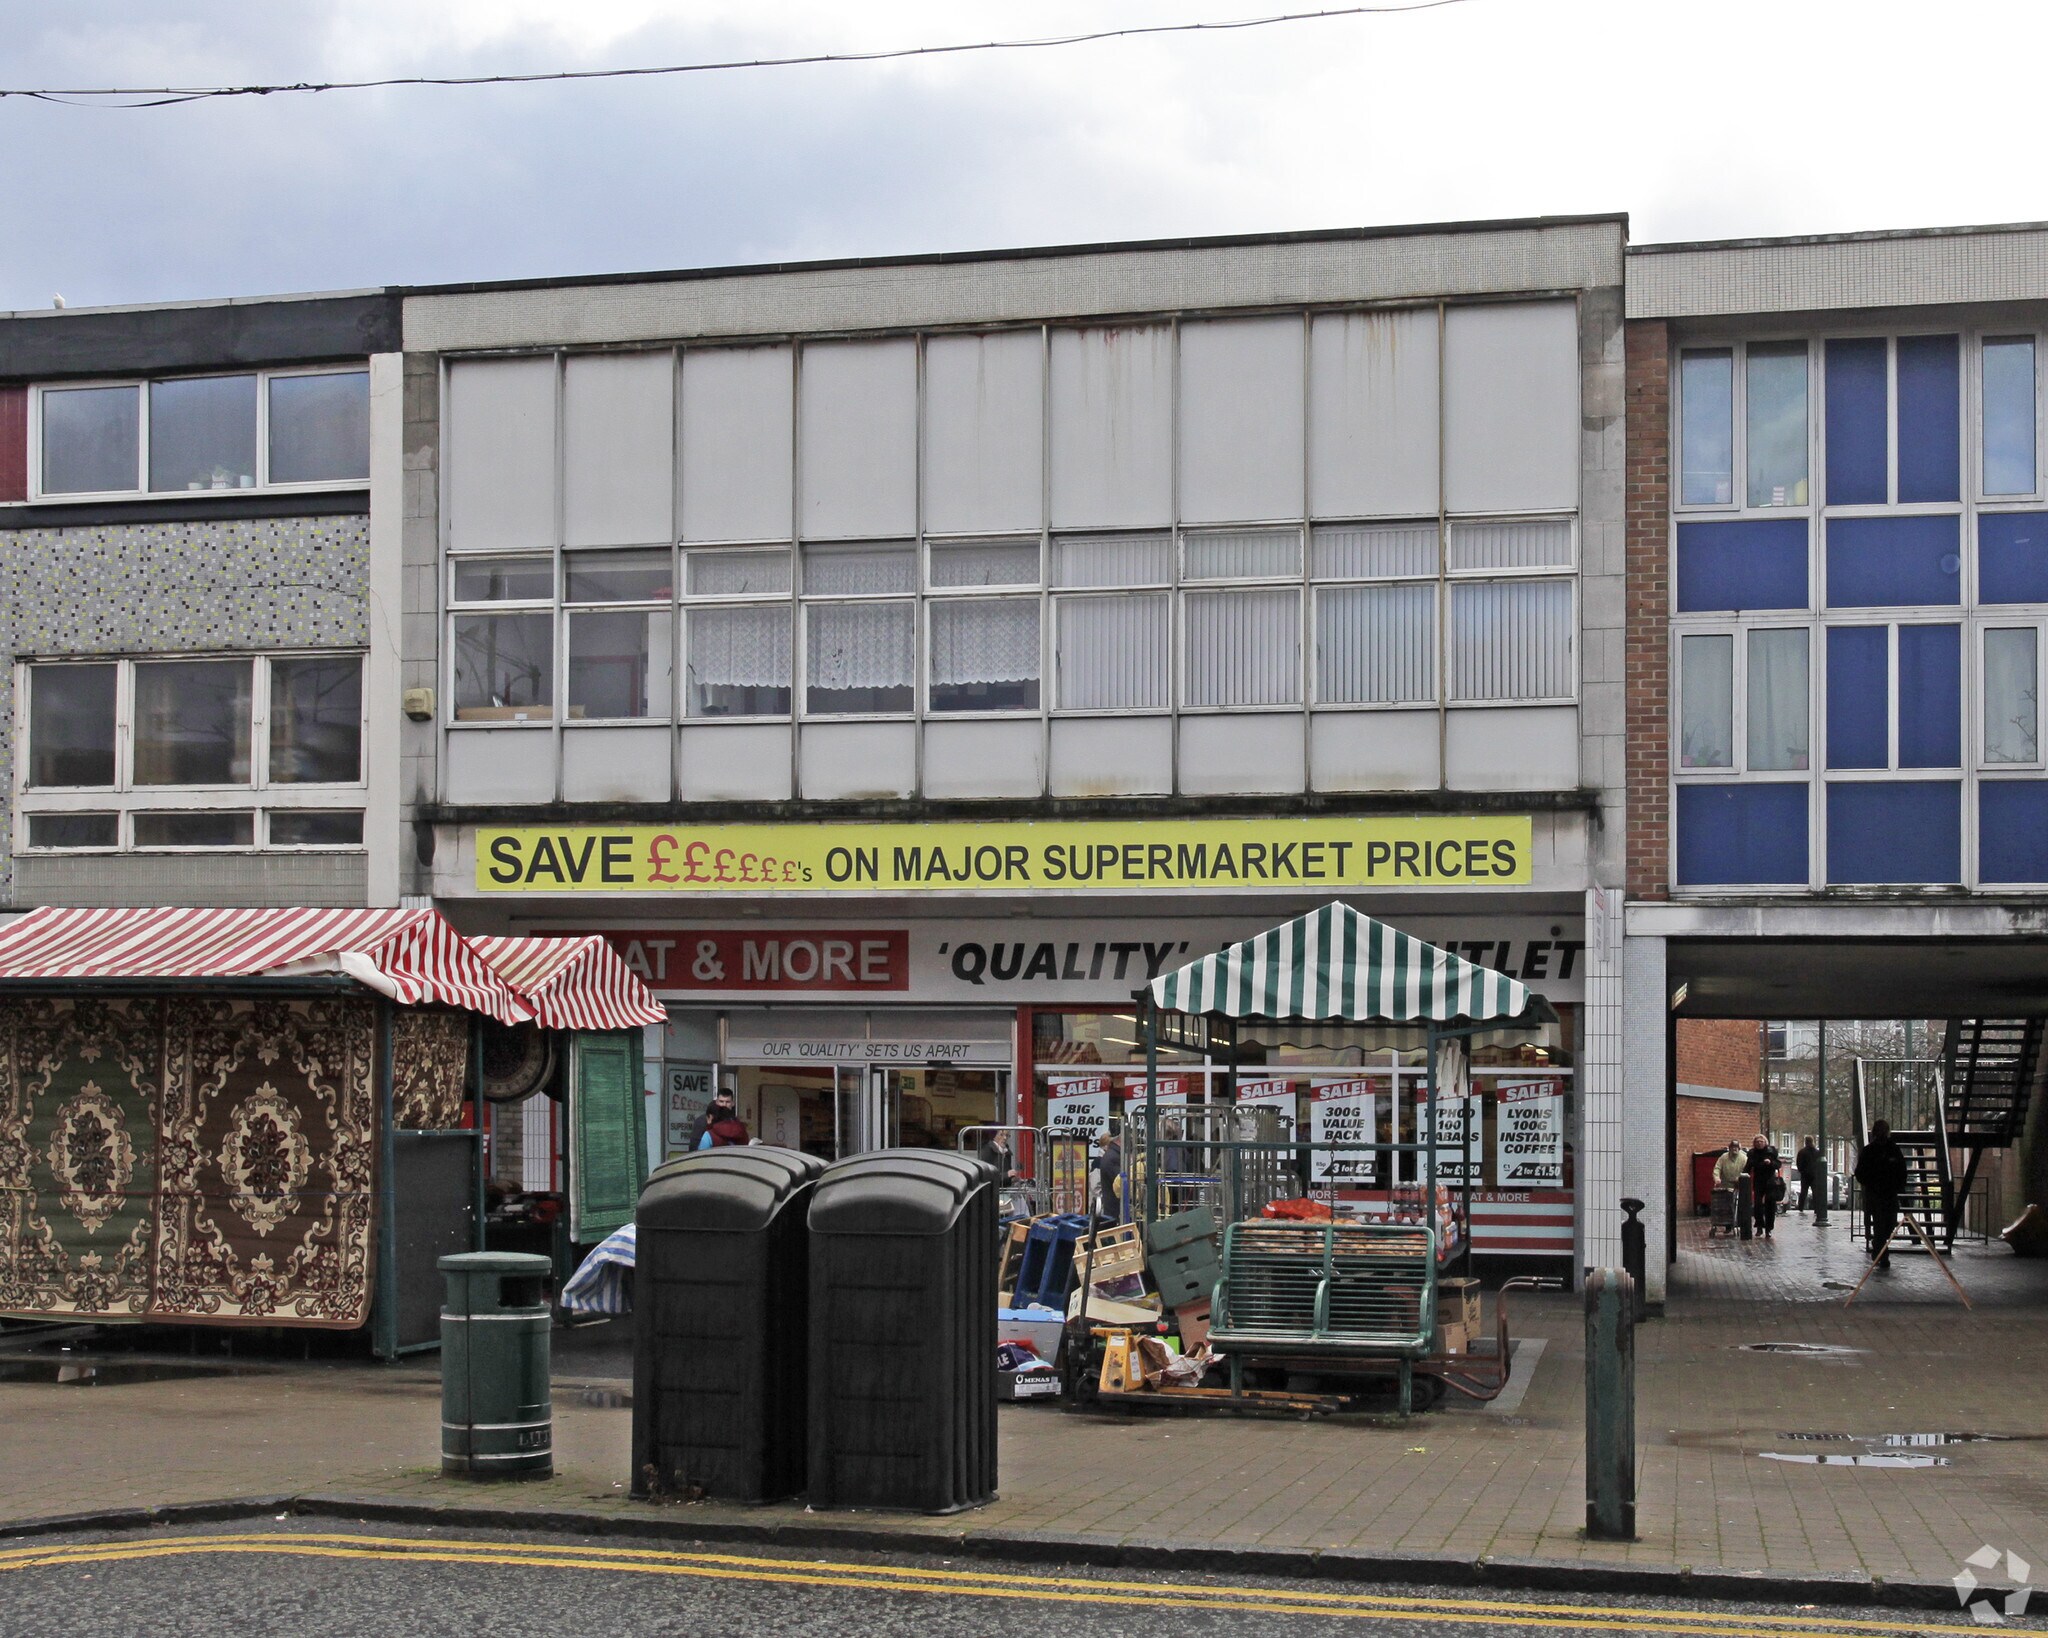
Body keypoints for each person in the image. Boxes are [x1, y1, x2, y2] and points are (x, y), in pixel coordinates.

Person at [1854, 1119, 1910, 1269]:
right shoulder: (1869, 1151)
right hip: (1876, 1194)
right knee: (1879, 1225)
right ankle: (1883, 1255)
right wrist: (1870, 1183)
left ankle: (1878, 1247)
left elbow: (1901, 1170)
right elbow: (1860, 1172)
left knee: (1890, 1224)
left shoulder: (1893, 1149)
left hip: (1889, 1193)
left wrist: (1898, 1185)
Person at [1746, 1134, 1783, 1237]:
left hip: (1770, 1181)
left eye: (1761, 1141)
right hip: (1758, 1180)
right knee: (1757, 1204)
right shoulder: (1752, 1153)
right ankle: (1759, 1226)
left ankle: (1768, 1228)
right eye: (1757, 1142)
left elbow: (1778, 1164)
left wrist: (1770, 1163)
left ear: (1765, 1142)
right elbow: (1748, 1166)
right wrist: (1743, 1176)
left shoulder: (1771, 1151)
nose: (1759, 1143)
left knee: (1770, 1205)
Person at [688, 1086, 741, 1151]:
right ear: (717, 1102)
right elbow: (693, 1147)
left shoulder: (735, 1122)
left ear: (733, 1103)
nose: (724, 1105)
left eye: (727, 1102)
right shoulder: (703, 1121)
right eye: (721, 1101)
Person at [1093, 1131, 1122, 1221]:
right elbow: (1095, 1185)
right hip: (1108, 1204)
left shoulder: (1106, 1157)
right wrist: (1101, 1199)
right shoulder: (1102, 1160)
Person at [1795, 1136, 1824, 1215]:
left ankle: (1801, 1207)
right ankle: (1816, 1209)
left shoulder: (1802, 1152)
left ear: (1805, 1142)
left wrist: (1801, 1171)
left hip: (1805, 1175)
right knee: (1815, 1192)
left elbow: (1798, 1163)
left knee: (1803, 1192)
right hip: (1814, 1175)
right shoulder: (1817, 1152)